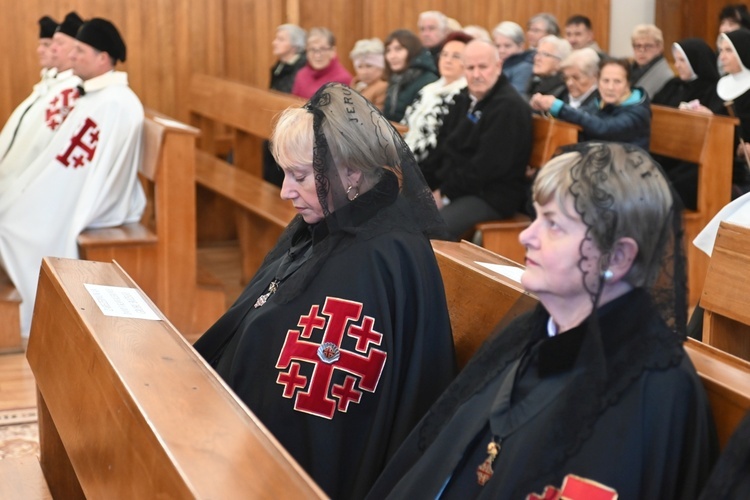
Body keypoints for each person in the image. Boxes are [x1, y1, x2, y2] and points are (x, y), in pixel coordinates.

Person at [367, 141, 718, 500]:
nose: (526, 236)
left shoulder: (653, 393)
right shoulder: (529, 337)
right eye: (535, 216)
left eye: (553, 225)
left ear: (618, 255)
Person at [194, 83, 456, 500]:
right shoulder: (325, 223)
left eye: (299, 176)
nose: (285, 191)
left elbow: (331, 406)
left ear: (350, 172)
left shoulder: (384, 256)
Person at [0, 17, 145, 336]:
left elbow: (102, 172)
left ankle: (37, 313)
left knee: (14, 222)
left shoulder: (117, 103)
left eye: (80, 50)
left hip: (96, 198)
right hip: (72, 186)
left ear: (102, 58)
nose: (72, 56)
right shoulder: (93, 96)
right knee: (12, 208)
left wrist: (63, 202)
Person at [420, 39, 532, 239]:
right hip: (459, 186)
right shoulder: (464, 98)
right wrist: (421, 184)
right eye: (470, 68)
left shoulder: (509, 107)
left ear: (498, 66)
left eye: (483, 67)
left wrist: (444, 194)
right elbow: (442, 148)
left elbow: (486, 168)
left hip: (491, 195)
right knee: (399, 213)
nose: (476, 74)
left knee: (431, 230)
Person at [0, 12, 83, 183]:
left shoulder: (71, 89)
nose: (49, 49)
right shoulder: (52, 82)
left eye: (57, 43)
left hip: (26, 180)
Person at [652, 38, 725, 209]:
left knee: (673, 184)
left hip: (694, 160)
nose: (676, 65)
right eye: (676, 60)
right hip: (664, 150)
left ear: (695, 61)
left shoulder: (714, 89)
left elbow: (719, 127)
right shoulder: (673, 84)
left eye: (682, 60)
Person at [530, 58, 652, 149]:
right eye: (605, 81)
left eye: (617, 82)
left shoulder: (639, 112)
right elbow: (582, 115)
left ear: (628, 84)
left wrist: (559, 107)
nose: (610, 87)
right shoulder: (600, 102)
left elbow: (604, 128)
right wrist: (547, 108)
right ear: (597, 82)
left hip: (627, 171)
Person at [402, 31, 472, 162]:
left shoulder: (465, 95)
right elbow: (405, 124)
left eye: (456, 56)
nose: (448, 60)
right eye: (444, 55)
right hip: (405, 157)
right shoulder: (428, 89)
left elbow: (447, 140)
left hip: (432, 163)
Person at [264, 24, 307, 187]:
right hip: (273, 123)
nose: (275, 42)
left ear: (295, 45)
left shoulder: (301, 69)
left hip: (290, 128)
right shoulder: (278, 66)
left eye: (281, 39)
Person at [716, 29, 750, 195]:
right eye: (721, 50)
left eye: (728, 50)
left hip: (740, 166)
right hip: (718, 156)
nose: (722, 57)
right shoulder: (719, 84)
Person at [383, 29, 439, 122]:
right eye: (388, 50)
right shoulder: (395, 79)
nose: (392, 56)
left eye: (398, 49)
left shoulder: (427, 80)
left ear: (412, 51)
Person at [291, 27, 351, 99]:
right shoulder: (301, 74)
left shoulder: (343, 79)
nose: (317, 55)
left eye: (322, 49)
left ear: (333, 51)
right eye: (312, 49)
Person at [629, 24, 674, 99]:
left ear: (659, 48)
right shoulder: (631, 68)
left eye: (647, 46)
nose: (642, 50)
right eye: (638, 46)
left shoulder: (664, 75)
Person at [491, 21, 533, 95]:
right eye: (497, 46)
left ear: (521, 46)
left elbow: (516, 97)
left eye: (507, 46)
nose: (501, 51)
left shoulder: (524, 68)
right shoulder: (496, 65)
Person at [526, 35, 572, 100]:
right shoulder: (533, 82)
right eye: (537, 53)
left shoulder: (564, 90)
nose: (537, 58)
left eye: (545, 54)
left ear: (559, 62)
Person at [349, 38, 387, 110]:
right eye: (360, 67)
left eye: (369, 66)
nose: (364, 72)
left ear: (381, 67)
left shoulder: (382, 87)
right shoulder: (356, 83)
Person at [269, 24, 307, 94]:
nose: (274, 43)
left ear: (295, 45)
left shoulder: (303, 67)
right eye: (276, 38)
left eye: (281, 39)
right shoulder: (279, 64)